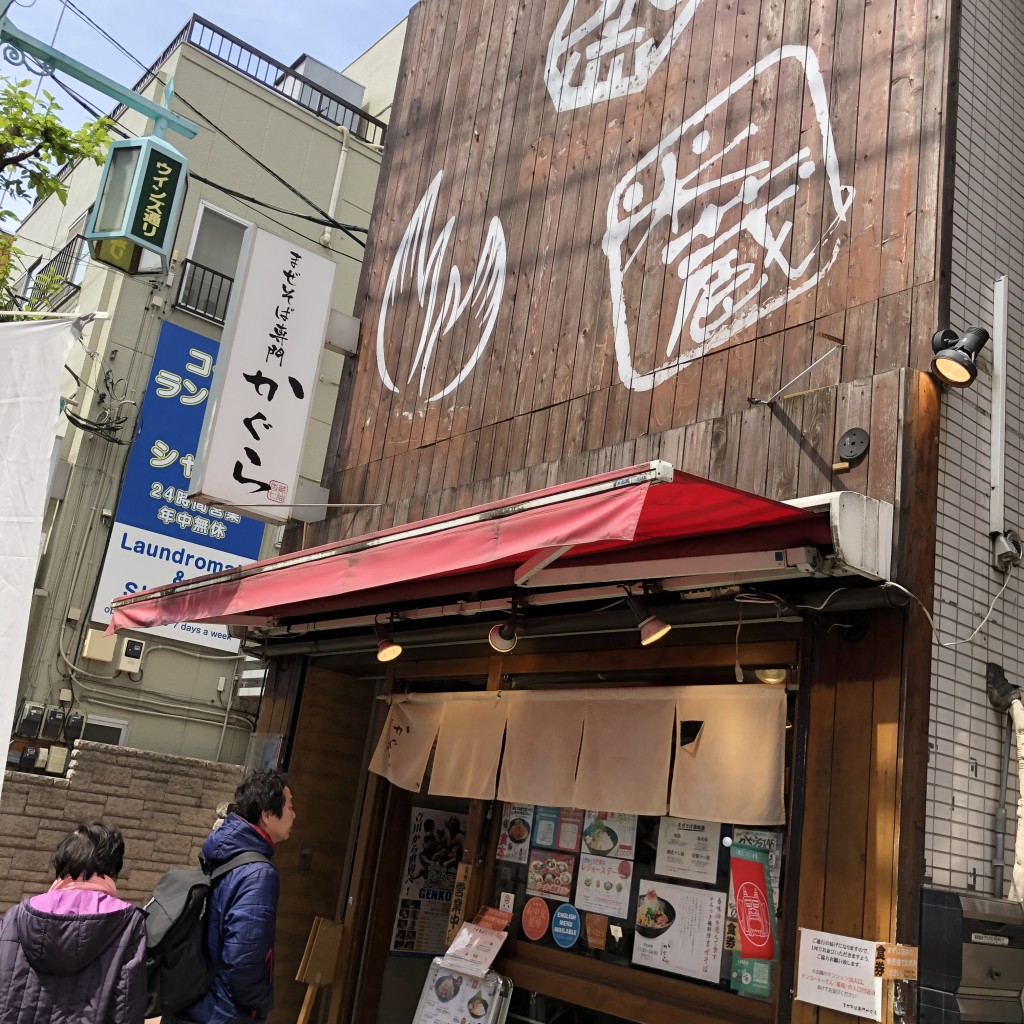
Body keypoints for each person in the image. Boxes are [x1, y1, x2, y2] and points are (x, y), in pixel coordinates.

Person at [177, 769, 295, 1024]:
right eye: (289, 806)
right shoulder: (259, 874)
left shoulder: (221, 851)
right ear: (267, 815)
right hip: (225, 1012)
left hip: (196, 999)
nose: (294, 815)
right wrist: (263, 1001)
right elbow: (243, 960)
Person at [0, 821, 147, 1024]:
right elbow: (127, 1005)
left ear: (61, 863)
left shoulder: (15, 916)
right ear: (113, 868)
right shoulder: (128, 922)